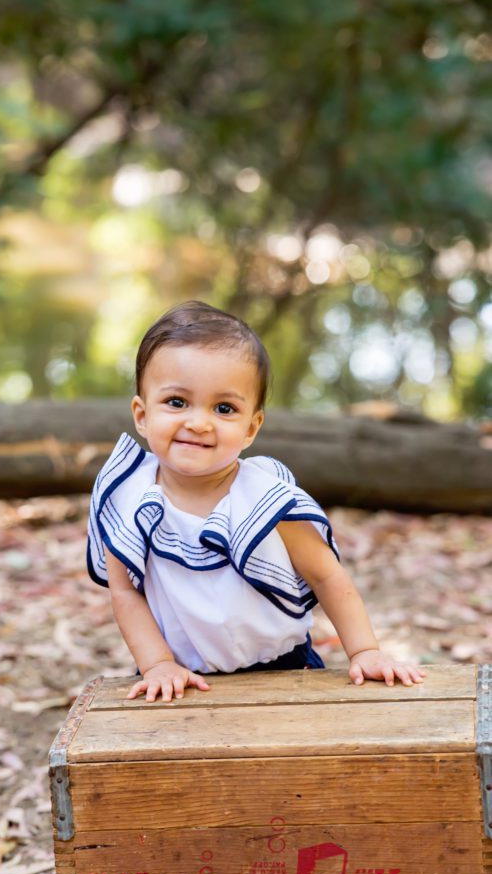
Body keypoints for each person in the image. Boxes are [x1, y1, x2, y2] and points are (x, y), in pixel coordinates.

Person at [87, 300, 425, 702]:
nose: (199, 422)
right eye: (177, 402)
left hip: (282, 667)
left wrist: (365, 651)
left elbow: (327, 576)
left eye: (224, 408)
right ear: (142, 415)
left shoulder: (265, 500)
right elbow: (125, 593)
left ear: (251, 427)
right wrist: (156, 663)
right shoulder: (128, 498)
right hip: (177, 673)